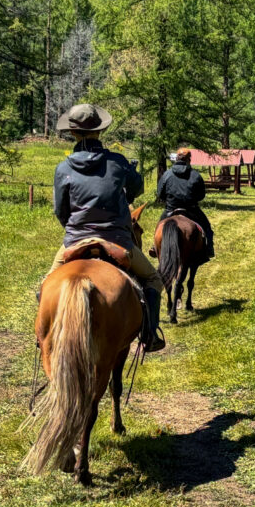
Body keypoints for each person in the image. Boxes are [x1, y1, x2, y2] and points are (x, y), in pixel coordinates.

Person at [47, 103, 165, 352]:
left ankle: (44, 336)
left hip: (76, 239)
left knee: (47, 285)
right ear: (100, 131)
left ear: (72, 133)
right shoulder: (118, 162)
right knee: (153, 279)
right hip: (117, 240)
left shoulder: (63, 168)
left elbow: (61, 210)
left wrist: (74, 230)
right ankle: (149, 334)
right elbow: (137, 189)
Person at [156, 148, 214, 260]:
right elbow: (201, 195)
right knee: (207, 228)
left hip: (170, 210)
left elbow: (160, 193)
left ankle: (155, 247)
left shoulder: (167, 174)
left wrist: (168, 201)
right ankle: (208, 248)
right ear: (189, 159)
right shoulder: (195, 175)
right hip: (191, 210)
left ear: (177, 158)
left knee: (159, 226)